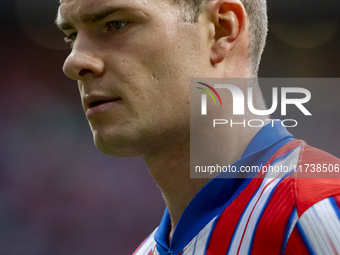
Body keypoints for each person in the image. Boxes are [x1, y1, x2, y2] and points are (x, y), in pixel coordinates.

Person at [56, 0, 340, 254]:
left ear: (220, 30)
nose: (74, 62)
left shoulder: (317, 209)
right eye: (71, 35)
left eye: (116, 24)